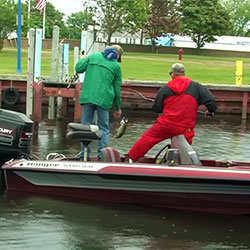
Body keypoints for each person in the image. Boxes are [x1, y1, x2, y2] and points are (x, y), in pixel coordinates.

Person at [128, 63, 217, 162]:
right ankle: (182, 165)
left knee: (148, 138)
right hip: (184, 129)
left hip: (165, 125)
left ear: (172, 74)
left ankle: (131, 158)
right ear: (183, 73)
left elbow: (157, 108)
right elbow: (211, 102)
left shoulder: (165, 89)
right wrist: (210, 111)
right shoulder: (197, 87)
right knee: (184, 151)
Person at [75, 44, 123, 159]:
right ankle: (102, 155)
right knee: (104, 128)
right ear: (117, 55)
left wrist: (83, 59)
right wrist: (117, 107)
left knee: (85, 127)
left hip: (88, 97)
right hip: (104, 100)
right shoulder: (116, 66)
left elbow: (78, 69)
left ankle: (83, 154)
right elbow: (117, 89)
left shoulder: (93, 57)